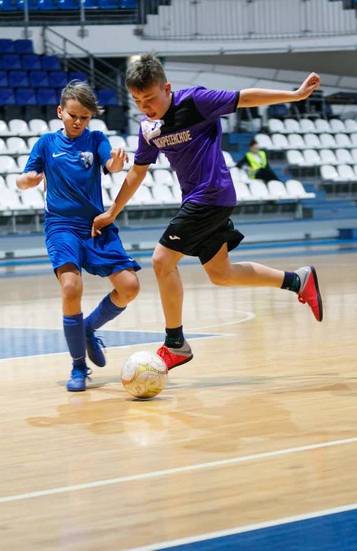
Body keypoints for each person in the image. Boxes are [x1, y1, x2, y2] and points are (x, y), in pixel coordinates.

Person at [91, 54, 323, 372]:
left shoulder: (196, 101)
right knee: (221, 274)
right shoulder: (149, 129)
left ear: (167, 88)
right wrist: (112, 211)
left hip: (212, 196)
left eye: (150, 98)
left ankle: (176, 344)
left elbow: (245, 98)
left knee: (161, 261)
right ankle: (299, 282)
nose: (145, 106)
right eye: (137, 101)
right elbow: (137, 173)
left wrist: (294, 95)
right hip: (199, 200)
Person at [17, 80, 141, 391]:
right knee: (71, 288)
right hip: (60, 226)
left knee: (129, 287)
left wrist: (117, 160)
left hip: (96, 225)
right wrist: (26, 182)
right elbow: (26, 176)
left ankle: (88, 328)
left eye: (84, 117)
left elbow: (111, 164)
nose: (78, 121)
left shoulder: (96, 139)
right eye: (73, 115)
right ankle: (78, 367)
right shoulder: (46, 144)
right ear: (61, 112)